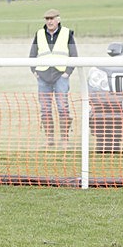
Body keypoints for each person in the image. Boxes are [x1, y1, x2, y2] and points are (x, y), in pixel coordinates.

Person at [29, 8, 79, 148]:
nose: (49, 21)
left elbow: (74, 55)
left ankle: (64, 140)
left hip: (60, 75)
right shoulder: (39, 34)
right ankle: (49, 139)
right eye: (47, 19)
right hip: (43, 76)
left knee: (63, 108)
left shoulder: (67, 34)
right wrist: (35, 72)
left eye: (52, 19)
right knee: (45, 109)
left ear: (58, 19)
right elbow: (32, 55)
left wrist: (67, 72)